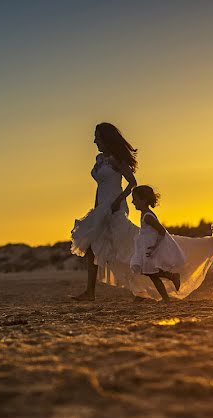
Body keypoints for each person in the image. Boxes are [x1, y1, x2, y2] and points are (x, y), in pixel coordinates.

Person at [70, 122, 138, 301]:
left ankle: (140, 289)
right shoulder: (99, 159)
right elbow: (100, 186)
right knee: (91, 246)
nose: (94, 141)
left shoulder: (117, 159)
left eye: (98, 137)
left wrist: (118, 200)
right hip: (101, 207)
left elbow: (132, 182)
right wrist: (96, 208)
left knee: (122, 248)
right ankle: (90, 292)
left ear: (106, 138)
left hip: (115, 206)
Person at [129, 186, 185, 302]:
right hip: (148, 247)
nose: (133, 202)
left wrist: (155, 246)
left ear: (143, 200)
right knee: (151, 274)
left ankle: (172, 277)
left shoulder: (148, 216)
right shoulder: (145, 214)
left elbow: (162, 230)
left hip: (152, 247)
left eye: (135, 199)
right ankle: (166, 298)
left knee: (152, 273)